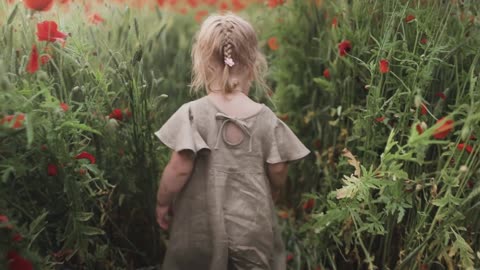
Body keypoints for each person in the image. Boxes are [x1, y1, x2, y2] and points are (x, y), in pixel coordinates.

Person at [154, 12, 310, 270]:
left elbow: (179, 167)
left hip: (199, 226)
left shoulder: (193, 114)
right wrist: (274, 189)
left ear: (202, 64)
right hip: (252, 228)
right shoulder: (265, 119)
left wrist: (162, 201)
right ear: (253, 65)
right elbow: (279, 167)